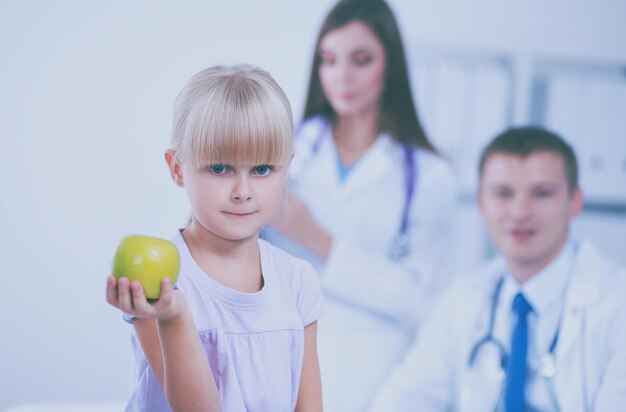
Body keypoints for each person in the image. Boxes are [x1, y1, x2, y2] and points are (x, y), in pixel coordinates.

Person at [262, 0, 458, 410]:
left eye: (361, 59)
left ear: (391, 67)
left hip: (373, 381)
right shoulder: (281, 155)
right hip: (277, 367)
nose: (342, 76)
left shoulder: (429, 175)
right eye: (329, 60)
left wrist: (317, 239)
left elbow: (420, 300)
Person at [105, 65, 324, 412]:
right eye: (220, 169)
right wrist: (172, 315)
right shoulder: (161, 283)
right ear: (178, 168)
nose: (242, 191)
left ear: (287, 169)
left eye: (262, 169)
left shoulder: (297, 281)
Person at [371, 126, 626, 411]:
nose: (519, 212)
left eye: (541, 193)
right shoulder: (463, 297)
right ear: (481, 203)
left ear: (574, 201)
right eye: (503, 194)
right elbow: (402, 401)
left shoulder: (617, 304)